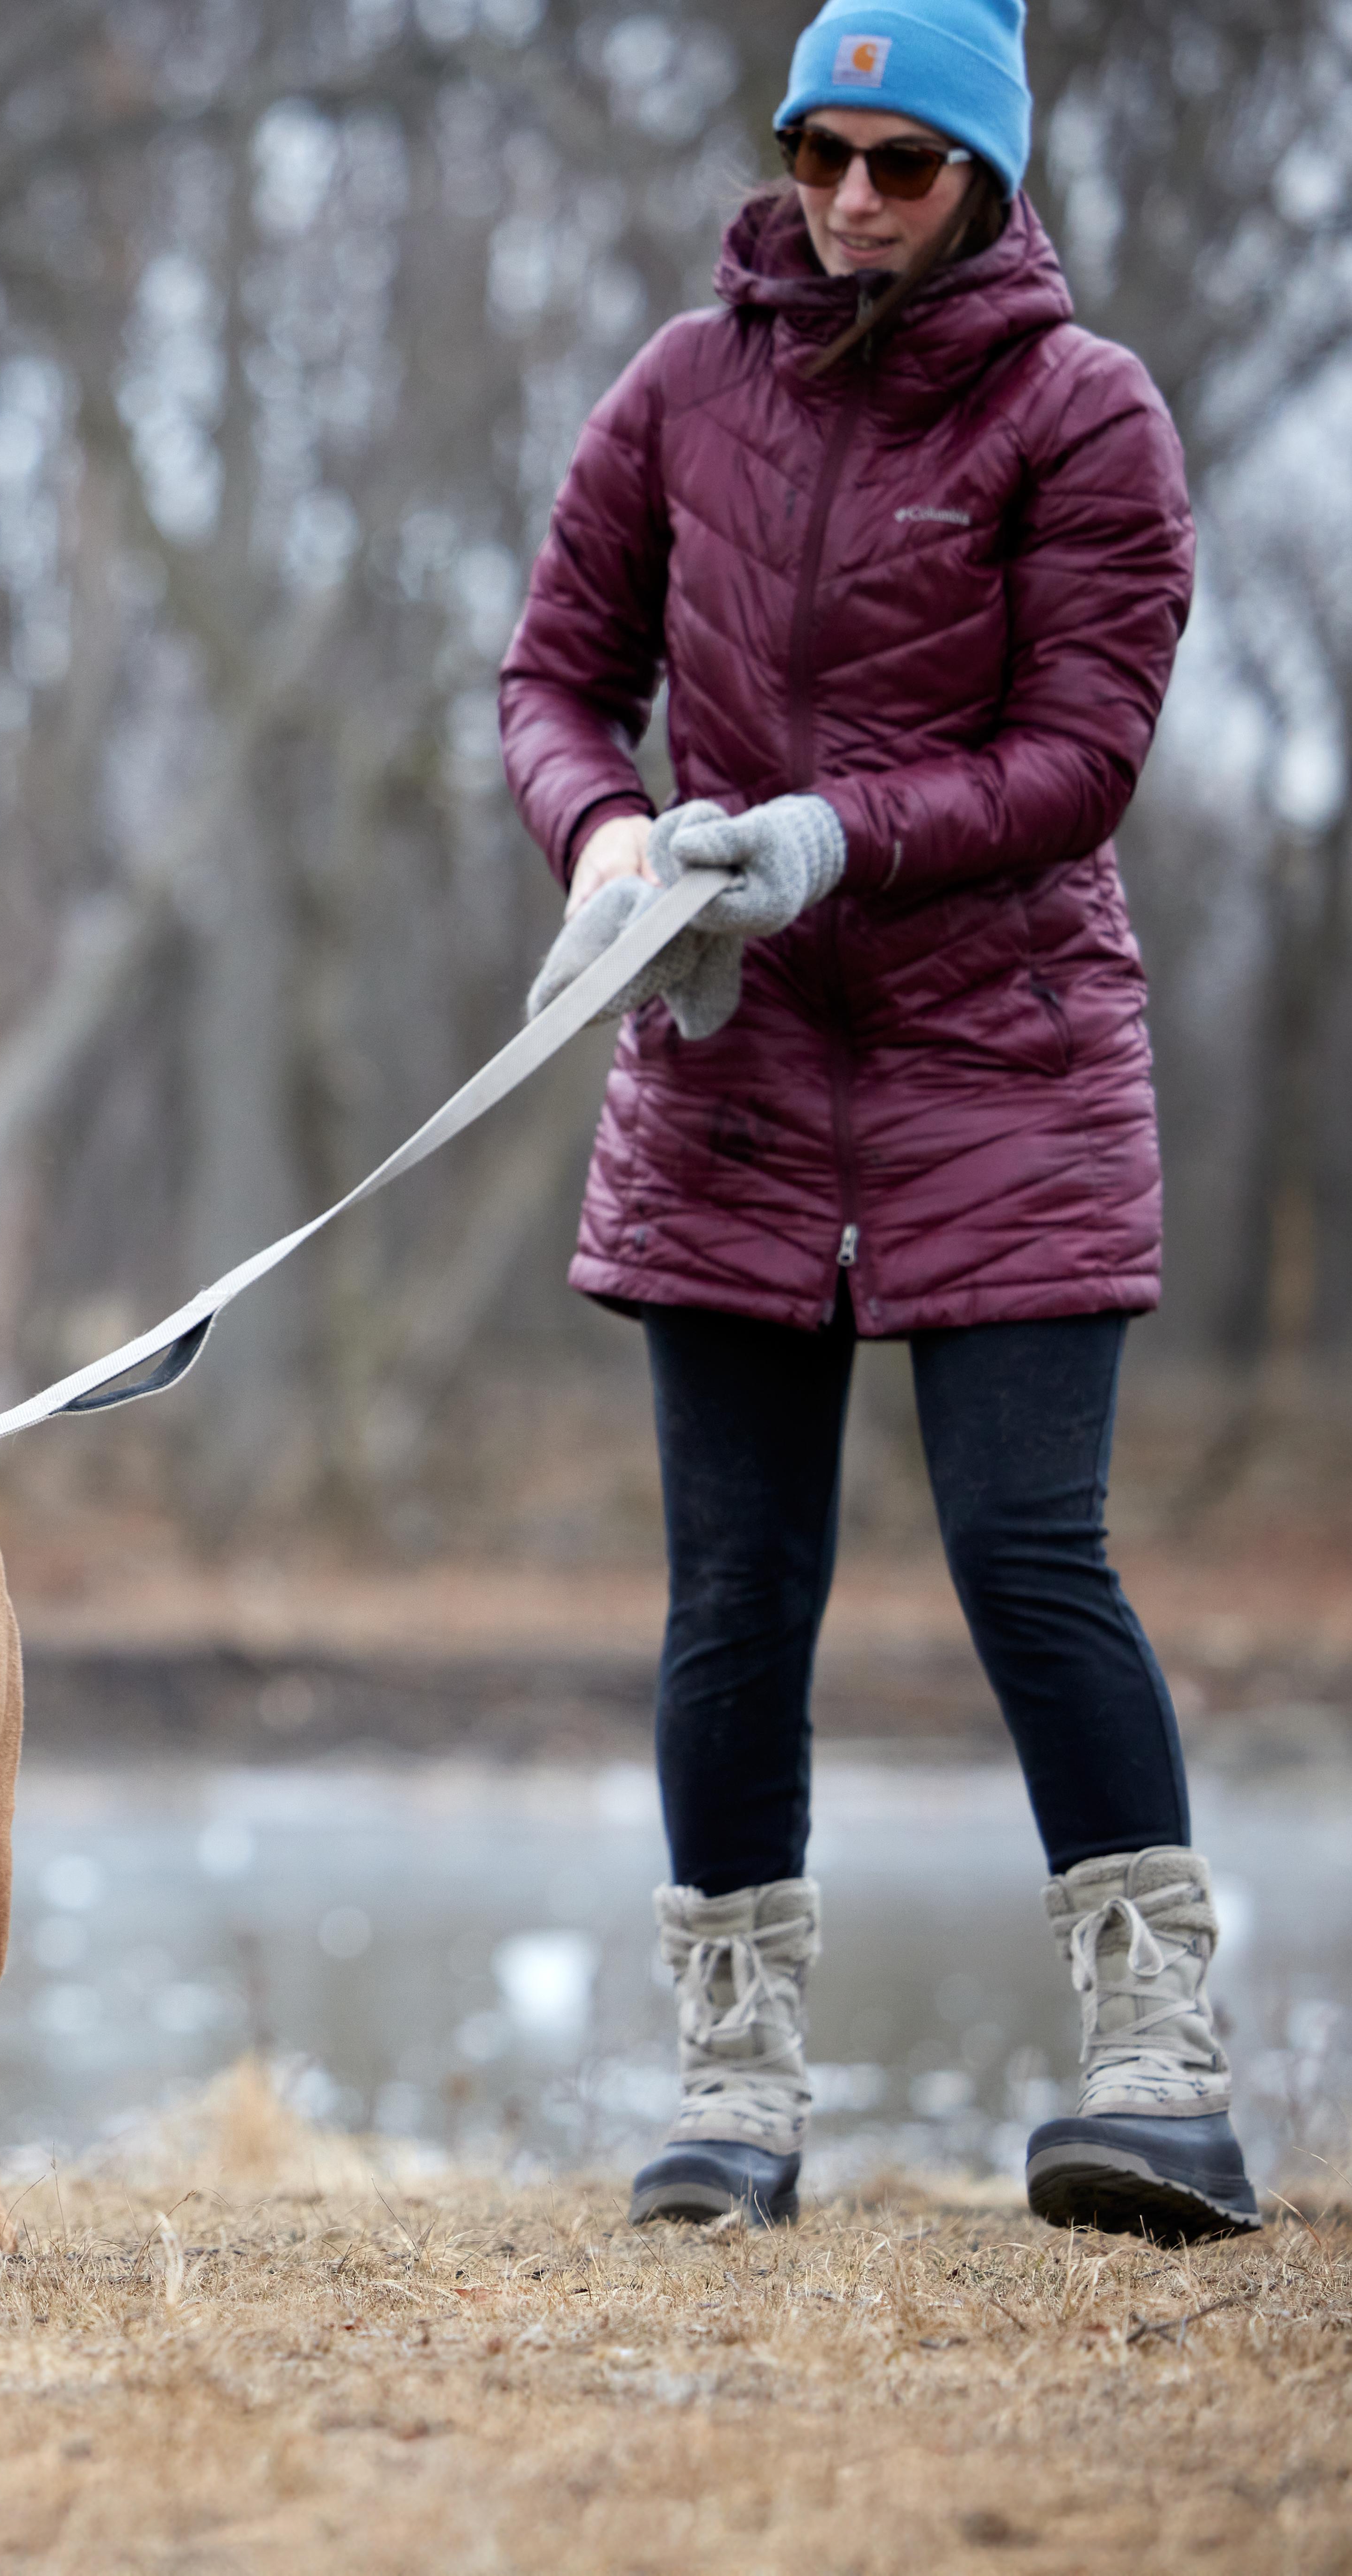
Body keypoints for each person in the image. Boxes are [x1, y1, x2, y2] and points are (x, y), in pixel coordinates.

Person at [502, 0, 1257, 2240]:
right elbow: (553, 675)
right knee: (736, 1588)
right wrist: (612, 849)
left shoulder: (1083, 413)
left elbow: (1083, 755)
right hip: (722, 1067)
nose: (844, 202)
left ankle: (1159, 2078)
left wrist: (836, 834)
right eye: (818, 152)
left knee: (1032, 1557)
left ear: (984, 181)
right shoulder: (676, 385)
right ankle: (733, 2105)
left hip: (999, 1062)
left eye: (898, 166)